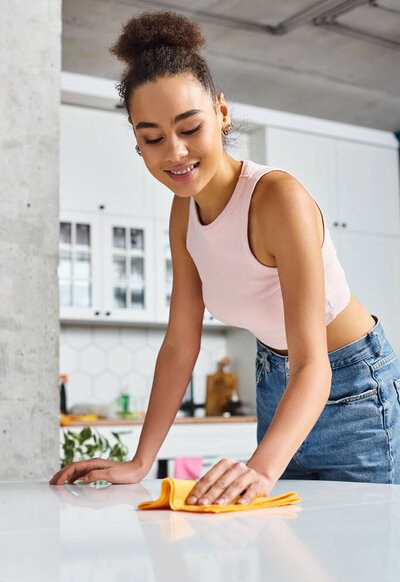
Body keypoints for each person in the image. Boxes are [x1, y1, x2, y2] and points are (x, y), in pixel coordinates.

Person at [50, 10, 400, 501]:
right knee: (290, 550)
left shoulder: (279, 199)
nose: (174, 152)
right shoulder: (183, 212)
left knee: (367, 561)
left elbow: (313, 364)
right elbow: (179, 344)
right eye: (152, 137)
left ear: (222, 112)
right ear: (137, 140)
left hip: (349, 386)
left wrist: (260, 468)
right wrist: (140, 460)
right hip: (279, 383)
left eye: (189, 128)